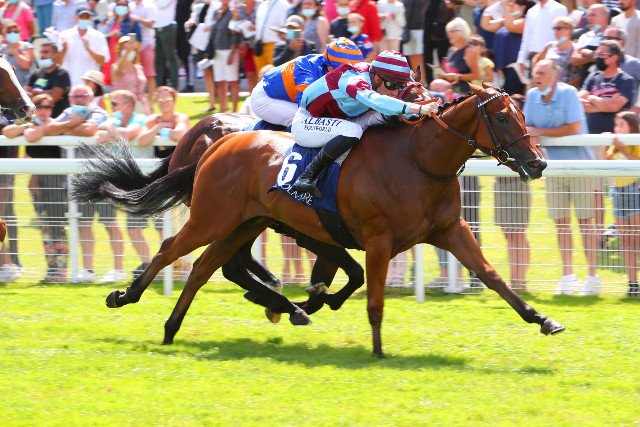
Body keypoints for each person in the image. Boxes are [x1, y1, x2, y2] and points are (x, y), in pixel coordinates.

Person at [291, 50, 439, 197]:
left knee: (389, 116)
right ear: (377, 78)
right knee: (353, 130)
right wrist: (418, 108)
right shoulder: (353, 79)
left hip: (341, 119)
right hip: (306, 122)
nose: (395, 92)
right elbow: (376, 100)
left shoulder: (376, 74)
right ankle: (307, 177)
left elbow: (399, 106)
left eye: (399, 86)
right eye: (392, 85)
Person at [524, 59, 599, 296]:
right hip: (553, 168)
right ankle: (568, 276)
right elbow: (527, 129)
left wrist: (540, 132)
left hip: (580, 166)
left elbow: (574, 127)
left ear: (554, 76)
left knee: (585, 222)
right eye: (535, 72)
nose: (536, 76)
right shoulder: (532, 96)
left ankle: (592, 277)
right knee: (561, 224)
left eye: (542, 72)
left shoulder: (569, 93)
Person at [2, 94, 69, 283]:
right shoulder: (29, 125)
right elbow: (7, 132)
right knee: (44, 226)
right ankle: (51, 270)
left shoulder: (57, 125)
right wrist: (27, 125)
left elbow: (34, 136)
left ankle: (60, 271)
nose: (44, 110)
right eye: (39, 106)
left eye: (48, 107)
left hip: (57, 182)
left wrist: (40, 128)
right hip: (37, 183)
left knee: (57, 227)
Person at [95, 89, 150, 282]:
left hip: (140, 179)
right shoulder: (113, 120)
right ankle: (148, 265)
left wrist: (111, 129)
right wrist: (114, 130)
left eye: (114, 103)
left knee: (141, 227)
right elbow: (99, 137)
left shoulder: (141, 119)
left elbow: (129, 133)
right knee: (129, 227)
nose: (111, 106)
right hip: (117, 179)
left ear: (127, 105)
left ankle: (162, 268)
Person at [251, 37, 363, 127]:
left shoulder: (332, 65)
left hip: (287, 96)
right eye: (348, 71)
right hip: (265, 98)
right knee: (308, 122)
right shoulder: (307, 70)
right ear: (330, 68)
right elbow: (305, 106)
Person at [604, 111, 640, 296]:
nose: (617, 129)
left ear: (631, 128)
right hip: (618, 193)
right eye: (616, 125)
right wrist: (605, 145)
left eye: (621, 125)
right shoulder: (614, 146)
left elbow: (637, 162)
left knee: (636, 238)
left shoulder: (636, 142)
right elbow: (604, 163)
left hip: (634, 190)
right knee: (625, 240)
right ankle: (632, 284)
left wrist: (623, 147)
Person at [56, 7, 110, 86]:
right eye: (81, 17)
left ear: (91, 18)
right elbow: (57, 63)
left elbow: (102, 61)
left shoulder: (99, 36)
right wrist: (64, 50)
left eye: (87, 17)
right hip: (68, 82)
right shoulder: (64, 35)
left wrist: (89, 50)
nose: (84, 19)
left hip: (89, 83)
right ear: (75, 18)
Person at [516, 0, 567, 78]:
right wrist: (521, 60)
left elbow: (564, 35)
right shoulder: (532, 11)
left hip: (551, 59)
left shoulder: (559, 9)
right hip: (533, 58)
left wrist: (554, 53)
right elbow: (526, 36)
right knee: (534, 85)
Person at [137, 86, 190, 158]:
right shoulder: (153, 119)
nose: (164, 102)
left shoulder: (180, 117)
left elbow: (179, 135)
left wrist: (163, 131)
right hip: (157, 160)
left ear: (174, 101)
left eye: (168, 99)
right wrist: (159, 126)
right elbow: (141, 141)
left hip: (179, 159)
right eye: (160, 100)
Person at [208, 0, 240, 113]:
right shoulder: (215, 12)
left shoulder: (233, 13)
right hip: (217, 52)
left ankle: (235, 111)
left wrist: (232, 52)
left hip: (228, 51)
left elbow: (234, 33)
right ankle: (222, 109)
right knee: (220, 82)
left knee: (232, 82)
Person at [100, 0, 142, 86]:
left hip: (125, 54)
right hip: (110, 54)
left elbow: (138, 40)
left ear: (127, 8)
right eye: (119, 5)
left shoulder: (132, 22)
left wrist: (122, 36)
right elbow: (103, 35)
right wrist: (111, 34)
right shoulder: (112, 21)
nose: (121, 8)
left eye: (123, 5)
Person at [534, 16, 581, 88]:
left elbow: (579, 74)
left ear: (569, 30)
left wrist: (565, 88)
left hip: (567, 89)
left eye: (559, 28)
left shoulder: (576, 48)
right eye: (554, 28)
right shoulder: (549, 46)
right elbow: (537, 63)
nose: (555, 31)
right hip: (548, 89)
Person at [438, 18, 480, 97]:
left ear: (462, 32)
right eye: (449, 31)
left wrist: (457, 76)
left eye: (453, 31)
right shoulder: (451, 50)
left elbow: (476, 75)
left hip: (464, 94)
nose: (449, 34)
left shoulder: (469, 51)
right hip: (449, 92)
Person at [111, 35, 151, 114]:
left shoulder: (139, 68)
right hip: (123, 106)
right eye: (124, 48)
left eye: (130, 47)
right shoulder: (115, 67)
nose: (128, 49)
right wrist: (129, 51)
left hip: (141, 106)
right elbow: (119, 69)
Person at [129, 0, 157, 104]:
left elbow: (151, 23)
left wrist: (138, 19)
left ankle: (151, 105)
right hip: (132, 45)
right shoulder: (130, 6)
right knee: (133, 76)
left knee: (149, 75)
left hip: (146, 44)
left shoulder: (150, 5)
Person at [253, 0, 289, 71]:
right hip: (259, 47)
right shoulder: (262, 5)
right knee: (261, 75)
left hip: (274, 46)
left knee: (274, 74)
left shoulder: (283, 4)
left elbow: (285, 26)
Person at [153, 0, 178, 88]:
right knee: (157, 58)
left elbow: (162, 4)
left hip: (168, 26)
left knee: (171, 57)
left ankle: (174, 85)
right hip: (154, 27)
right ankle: (158, 84)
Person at [0, 20, 33, 85]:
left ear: (20, 33)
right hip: (7, 85)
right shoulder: (2, 49)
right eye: (9, 32)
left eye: (15, 32)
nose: (12, 34)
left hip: (23, 84)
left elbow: (26, 65)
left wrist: (15, 53)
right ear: (5, 34)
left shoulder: (26, 46)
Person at [402, 0, 428, 83]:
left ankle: (421, 84)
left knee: (415, 57)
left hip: (413, 29)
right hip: (409, 28)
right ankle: (420, 83)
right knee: (413, 57)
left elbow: (407, 11)